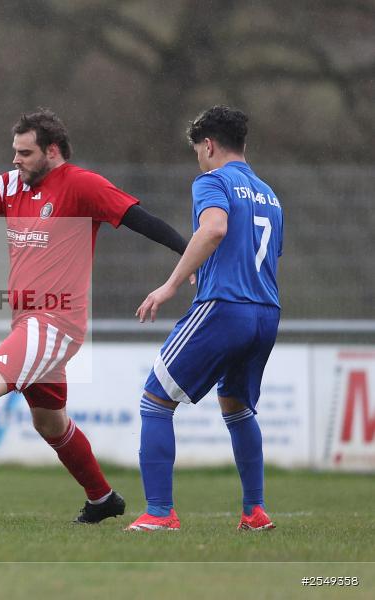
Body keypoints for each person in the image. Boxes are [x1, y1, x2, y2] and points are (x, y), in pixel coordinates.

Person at [0, 108, 188, 524]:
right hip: (27, 321)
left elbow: (143, 222)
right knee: (50, 422)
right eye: (14, 151)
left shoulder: (83, 185)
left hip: (56, 322)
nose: (16, 160)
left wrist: (190, 258)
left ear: (52, 151)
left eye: (25, 153)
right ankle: (103, 499)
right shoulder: (9, 185)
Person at [127, 106, 283, 532]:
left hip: (224, 307)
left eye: (199, 150)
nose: (199, 158)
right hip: (266, 312)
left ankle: (160, 512)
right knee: (236, 407)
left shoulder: (212, 181)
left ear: (209, 145)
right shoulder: (270, 195)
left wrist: (171, 284)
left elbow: (213, 229)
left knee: (155, 399)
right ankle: (255, 511)